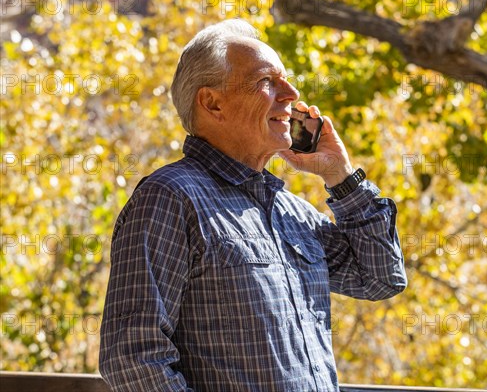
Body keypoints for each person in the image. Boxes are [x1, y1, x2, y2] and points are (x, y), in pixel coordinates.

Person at [99, 19, 407, 392]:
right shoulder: (170, 196)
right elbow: (133, 359)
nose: (291, 93)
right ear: (212, 102)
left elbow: (380, 278)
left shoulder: (291, 212)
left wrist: (340, 175)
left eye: (286, 80)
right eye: (267, 81)